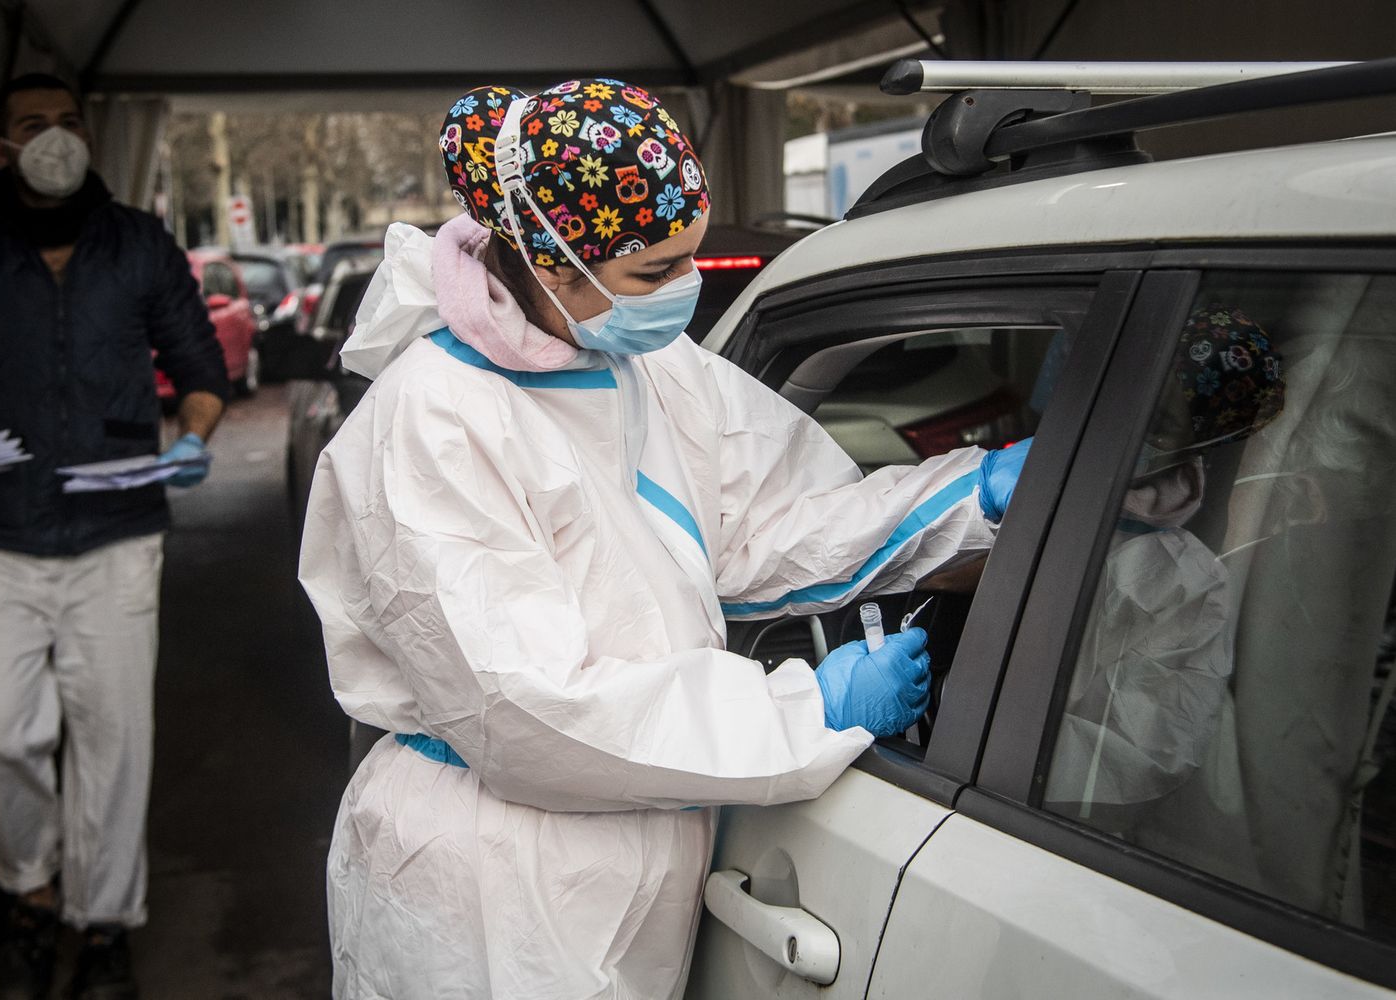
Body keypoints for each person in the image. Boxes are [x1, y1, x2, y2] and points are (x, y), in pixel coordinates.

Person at [298, 78, 1030, 1000]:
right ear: (551, 261)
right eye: (656, 272)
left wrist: (974, 493)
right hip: (495, 881)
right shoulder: (437, 421)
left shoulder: (642, 362)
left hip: (630, 849)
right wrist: (811, 712)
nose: (683, 291)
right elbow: (525, 714)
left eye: (688, 258)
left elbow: (766, 527)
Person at [0, 73, 229, 1000]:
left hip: (118, 531)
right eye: (33, 126)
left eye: (69, 123)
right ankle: (32, 886)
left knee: (115, 741)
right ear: (1, 151)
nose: (56, 138)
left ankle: (107, 926)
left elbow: (199, 364)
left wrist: (195, 437)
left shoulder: (138, 244)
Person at [1046, 306, 1285, 834]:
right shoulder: (1035, 491)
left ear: (1198, 443)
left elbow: (1139, 755)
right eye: (1128, 398)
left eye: (1158, 421)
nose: (1127, 425)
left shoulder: (1187, 582)